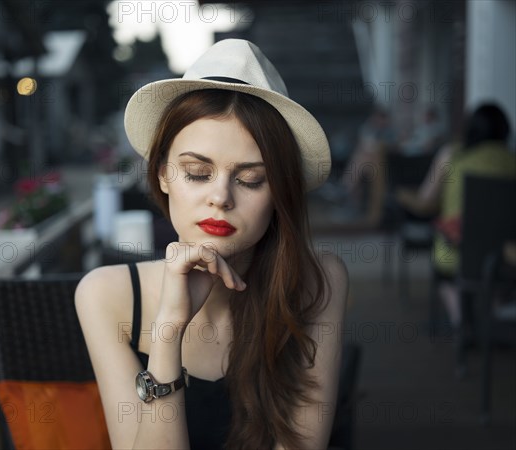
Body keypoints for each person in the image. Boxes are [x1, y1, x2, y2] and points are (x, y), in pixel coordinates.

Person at [75, 39, 348, 449]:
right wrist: (168, 333)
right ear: (164, 175)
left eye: (251, 179)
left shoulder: (318, 281)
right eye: (198, 173)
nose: (220, 197)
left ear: (280, 192)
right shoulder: (107, 296)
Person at [397, 104, 515, 328]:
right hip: (505, 257)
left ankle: (460, 320)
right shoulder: (512, 161)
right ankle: (495, 314)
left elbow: (424, 205)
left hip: (458, 254)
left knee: (445, 266)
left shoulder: (452, 156)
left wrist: (402, 195)